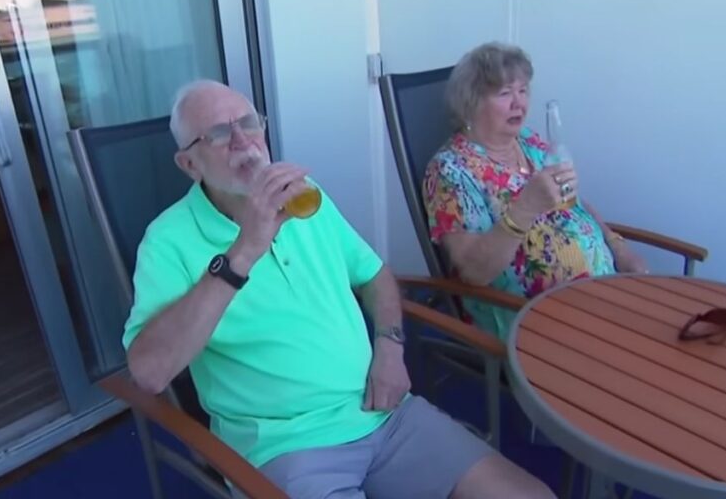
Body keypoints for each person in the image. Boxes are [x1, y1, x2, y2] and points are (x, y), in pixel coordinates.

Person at [122, 80, 554, 499]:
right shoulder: (166, 242)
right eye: (218, 133)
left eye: (249, 123)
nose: (243, 141)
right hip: (288, 446)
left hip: (383, 411)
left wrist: (390, 346)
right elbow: (150, 372)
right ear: (189, 164)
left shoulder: (307, 197)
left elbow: (375, 275)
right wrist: (244, 251)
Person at [423, 42, 648, 339]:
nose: (519, 103)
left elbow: (575, 204)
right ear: (471, 102)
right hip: (534, 322)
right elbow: (474, 271)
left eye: (523, 90)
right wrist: (526, 207)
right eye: (505, 93)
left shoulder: (528, 141)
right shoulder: (451, 171)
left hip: (600, 293)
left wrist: (617, 246)